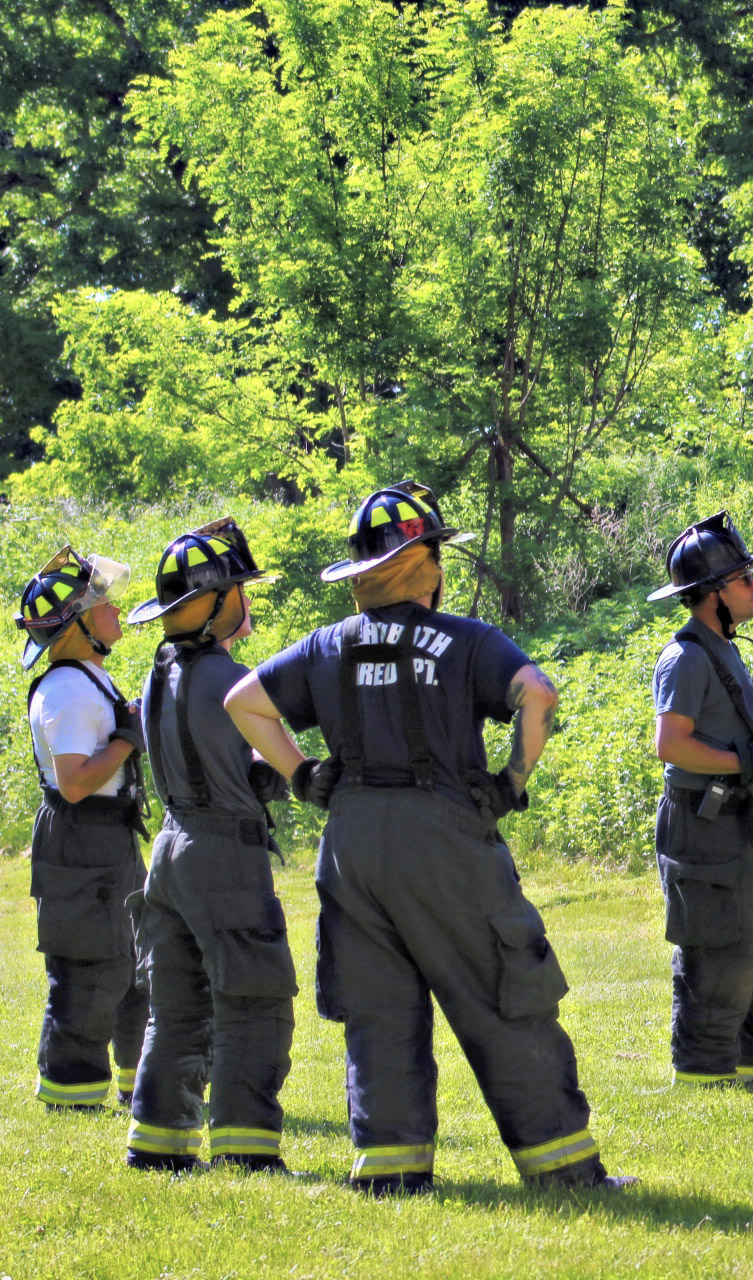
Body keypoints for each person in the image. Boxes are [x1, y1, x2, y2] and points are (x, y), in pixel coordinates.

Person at [224, 481, 628, 1193]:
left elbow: (244, 703)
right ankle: (563, 1168)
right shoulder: (468, 640)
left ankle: (390, 1169)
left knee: (377, 1010)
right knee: (504, 991)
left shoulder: (326, 645)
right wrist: (513, 781)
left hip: (350, 843)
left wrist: (300, 775)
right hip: (442, 839)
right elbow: (539, 694)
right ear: (428, 565)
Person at [122, 519, 298, 1173]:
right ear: (218, 599)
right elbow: (275, 766)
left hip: (168, 854)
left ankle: (157, 1144)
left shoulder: (155, 674)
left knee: (175, 1008)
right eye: (240, 592)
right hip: (223, 853)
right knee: (253, 1001)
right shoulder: (231, 680)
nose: (247, 604)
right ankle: (247, 1151)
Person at [647, 512, 753, 1087]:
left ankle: (747, 1061)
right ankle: (704, 1072)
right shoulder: (685, 657)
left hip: (739, 821)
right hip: (702, 826)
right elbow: (672, 745)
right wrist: (743, 762)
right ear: (712, 594)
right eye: (744, 578)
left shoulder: (724, 648)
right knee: (717, 952)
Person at [15, 547, 150, 1110]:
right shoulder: (70, 690)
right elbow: (74, 783)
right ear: (77, 626)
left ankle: (132, 1081)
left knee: (130, 959)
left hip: (107, 835)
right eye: (103, 604)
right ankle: (71, 1093)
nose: (115, 611)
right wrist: (128, 738)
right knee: (90, 965)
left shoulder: (88, 676)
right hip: (83, 835)